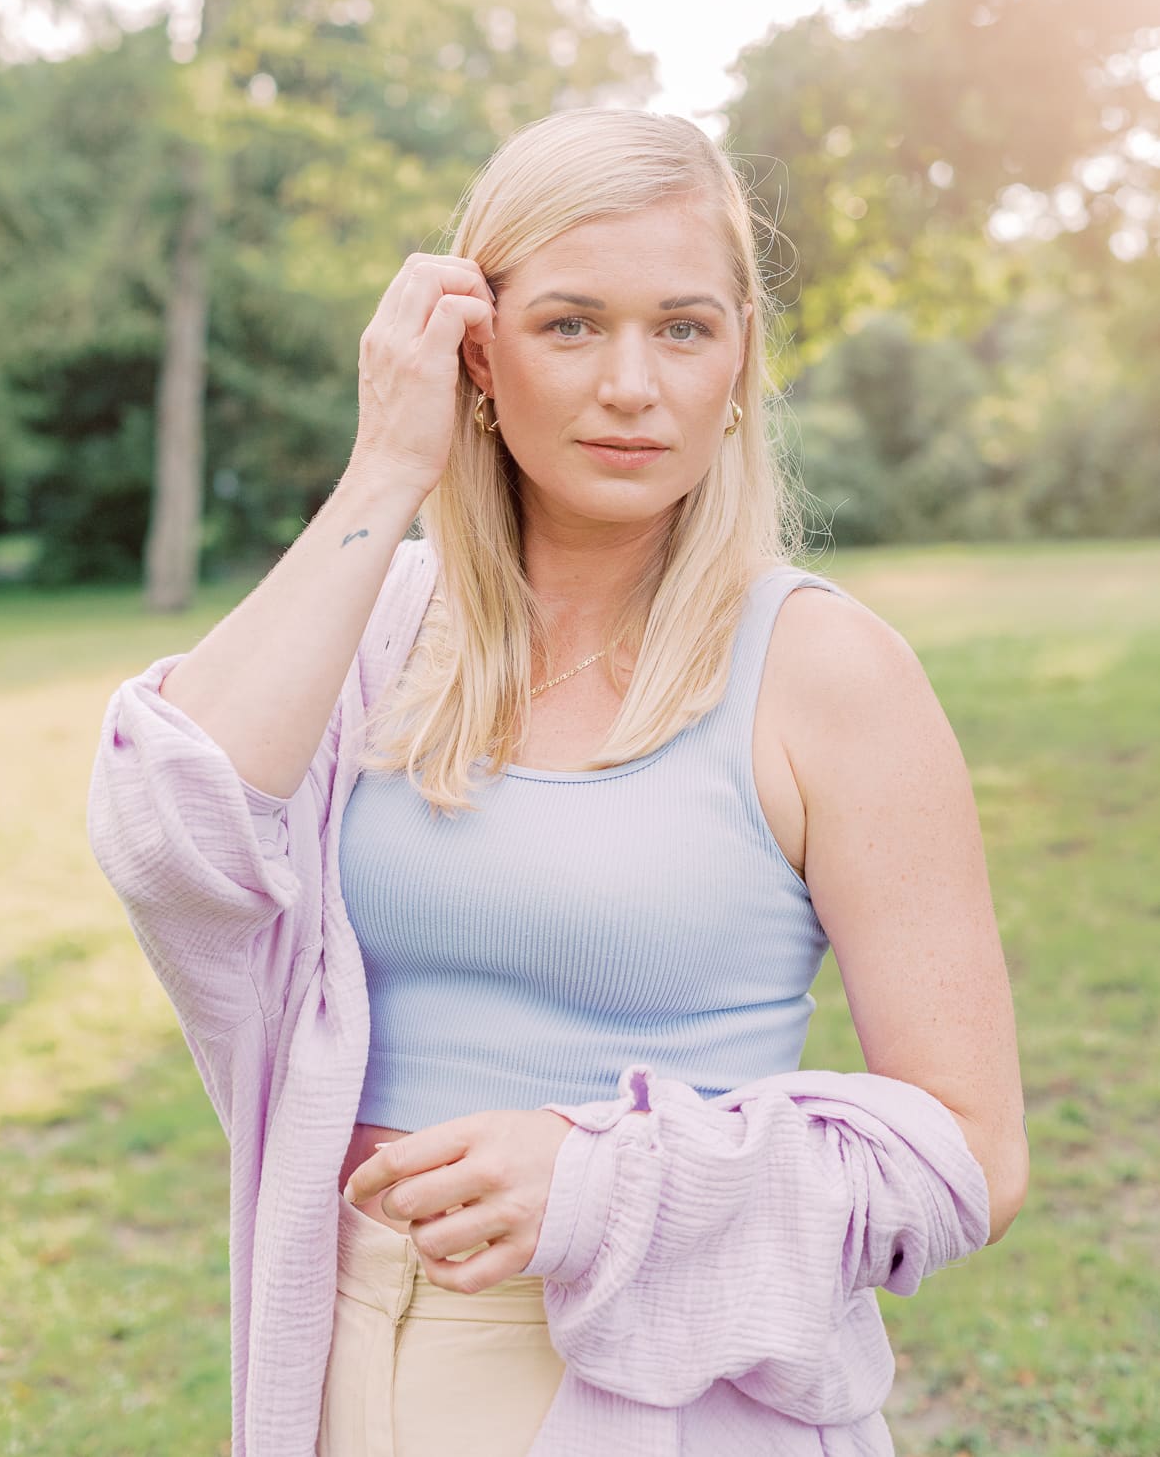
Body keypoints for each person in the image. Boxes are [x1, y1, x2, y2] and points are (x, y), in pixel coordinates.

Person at [89, 107, 1028, 1457]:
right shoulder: (378, 629)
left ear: (739, 361)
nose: (633, 384)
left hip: (662, 1394)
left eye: (685, 328)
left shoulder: (828, 671)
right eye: (571, 324)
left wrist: (606, 1182)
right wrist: (387, 465)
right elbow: (165, 837)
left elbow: (974, 1158)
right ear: (477, 351)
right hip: (338, 1351)